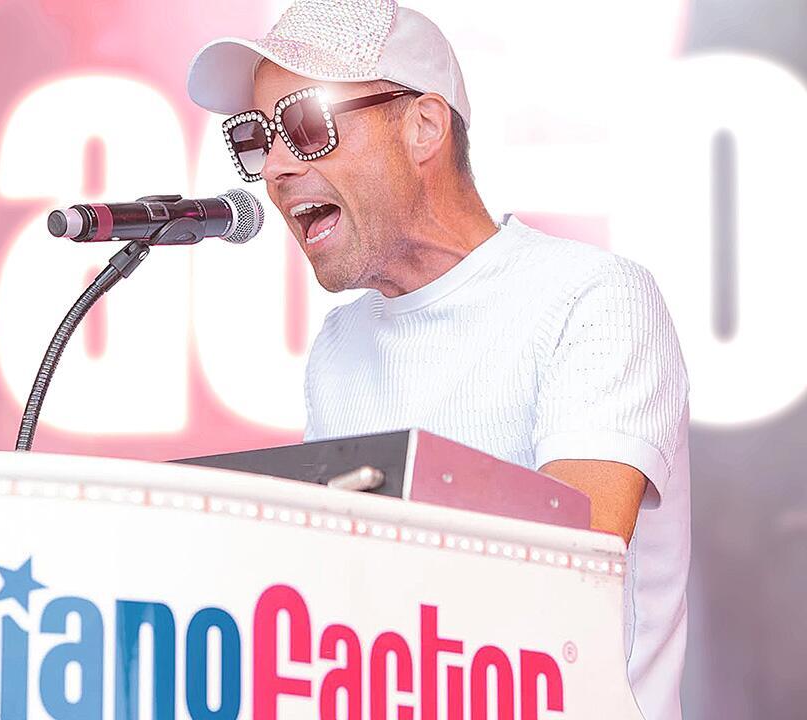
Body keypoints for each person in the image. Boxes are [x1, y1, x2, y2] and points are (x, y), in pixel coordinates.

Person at [187, 1, 690, 718]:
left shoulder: (593, 297)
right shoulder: (339, 349)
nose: (272, 167)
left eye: (303, 122)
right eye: (253, 137)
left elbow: (567, 577)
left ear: (424, 125)